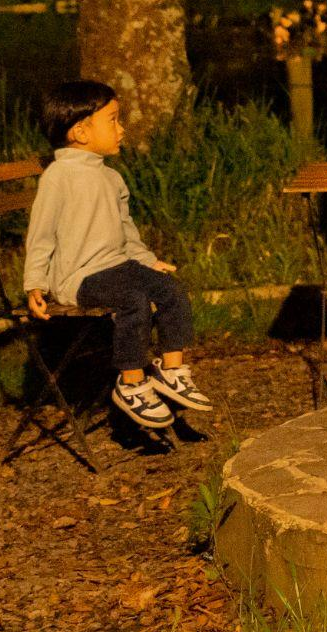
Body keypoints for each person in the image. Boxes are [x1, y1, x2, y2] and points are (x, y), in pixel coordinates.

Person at [24, 80, 212, 430]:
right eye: (112, 120)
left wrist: (148, 260)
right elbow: (41, 235)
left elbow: (127, 232)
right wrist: (35, 283)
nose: (121, 129)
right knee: (133, 300)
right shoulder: (58, 176)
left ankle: (171, 371)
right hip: (79, 278)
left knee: (170, 288)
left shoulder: (111, 178)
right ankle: (131, 385)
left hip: (118, 267)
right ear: (80, 132)